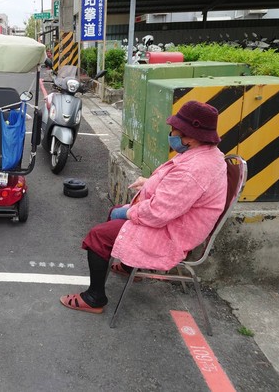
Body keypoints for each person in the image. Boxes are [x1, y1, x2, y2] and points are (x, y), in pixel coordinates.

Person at [60, 101, 228, 314]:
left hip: (172, 232)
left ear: (190, 136)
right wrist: (150, 182)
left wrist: (129, 212)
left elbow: (158, 213)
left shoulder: (193, 171)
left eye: (174, 129)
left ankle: (94, 298)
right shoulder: (207, 155)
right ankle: (130, 266)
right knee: (115, 214)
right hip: (179, 223)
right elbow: (177, 191)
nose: (171, 133)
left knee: (98, 236)